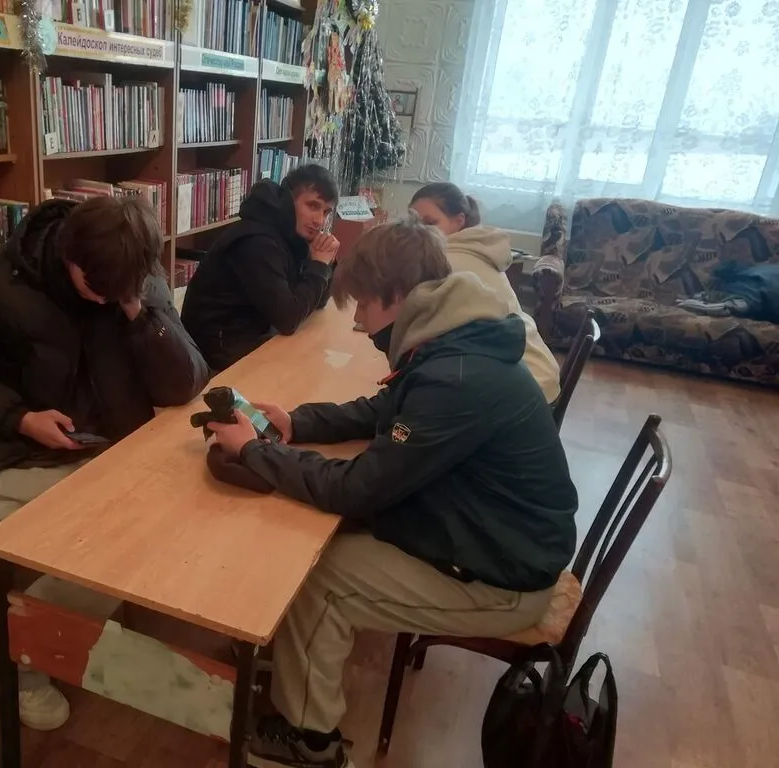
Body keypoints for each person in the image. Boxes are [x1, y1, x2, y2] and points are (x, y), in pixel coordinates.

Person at [208, 218, 578, 768]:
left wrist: (254, 451)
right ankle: (294, 666)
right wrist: (297, 422)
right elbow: (388, 407)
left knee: (321, 580)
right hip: (491, 537)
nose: (359, 320)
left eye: (363, 304)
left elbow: (356, 490)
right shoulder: (456, 340)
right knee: (322, 541)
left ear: (398, 296)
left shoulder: (455, 379)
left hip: (502, 578)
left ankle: (310, 744)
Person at [0, 195, 210, 768]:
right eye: (97, 286)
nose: (105, 298)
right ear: (69, 253)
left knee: (136, 547)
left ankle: (17, 654)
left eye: (121, 290)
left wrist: (141, 314)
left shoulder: (137, 284)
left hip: (100, 461)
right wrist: (19, 417)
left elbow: (184, 382)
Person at [409, 182, 561, 402]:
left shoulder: (449, 261)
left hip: (528, 389)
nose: (419, 232)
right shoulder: (476, 249)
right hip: (540, 373)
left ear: (459, 220)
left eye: (430, 223)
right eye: (413, 224)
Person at [181, 164, 341, 372]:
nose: (319, 220)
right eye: (312, 206)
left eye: (326, 212)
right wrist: (318, 266)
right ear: (289, 200)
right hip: (218, 353)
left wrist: (325, 261)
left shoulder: (291, 232)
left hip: (252, 337)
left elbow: (317, 302)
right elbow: (288, 319)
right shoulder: (258, 242)